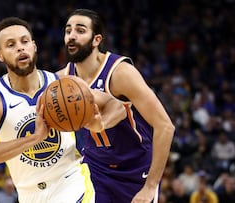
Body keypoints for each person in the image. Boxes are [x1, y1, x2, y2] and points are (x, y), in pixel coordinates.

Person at [0, 17, 125, 203]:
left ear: (34, 46)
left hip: (72, 186)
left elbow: (116, 105)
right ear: (0, 55)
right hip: (29, 195)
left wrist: (100, 124)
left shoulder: (64, 85)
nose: (20, 48)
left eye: (25, 41)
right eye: (11, 44)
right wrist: (34, 138)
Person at [57, 9, 175, 203]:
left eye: (80, 30)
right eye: (68, 30)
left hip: (135, 168)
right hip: (96, 168)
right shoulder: (62, 81)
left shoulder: (121, 73)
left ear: (96, 40)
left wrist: (151, 186)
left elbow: (165, 126)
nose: (71, 36)